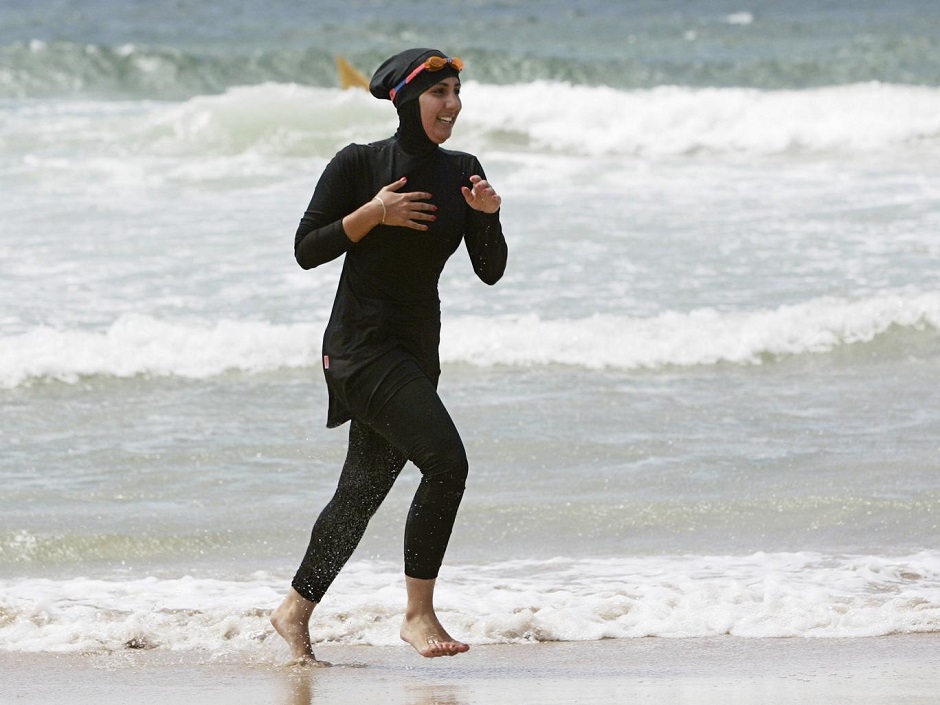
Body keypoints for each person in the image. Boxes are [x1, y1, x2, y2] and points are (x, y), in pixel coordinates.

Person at [270, 48, 507, 664]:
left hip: (416, 349)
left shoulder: (464, 169)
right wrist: (374, 212)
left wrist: (490, 217)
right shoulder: (359, 163)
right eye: (439, 94)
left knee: (360, 493)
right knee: (446, 462)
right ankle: (418, 614)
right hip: (359, 345)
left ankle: (294, 612)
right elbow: (306, 249)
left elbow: (490, 271)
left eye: (457, 92)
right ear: (406, 99)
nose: (452, 105)